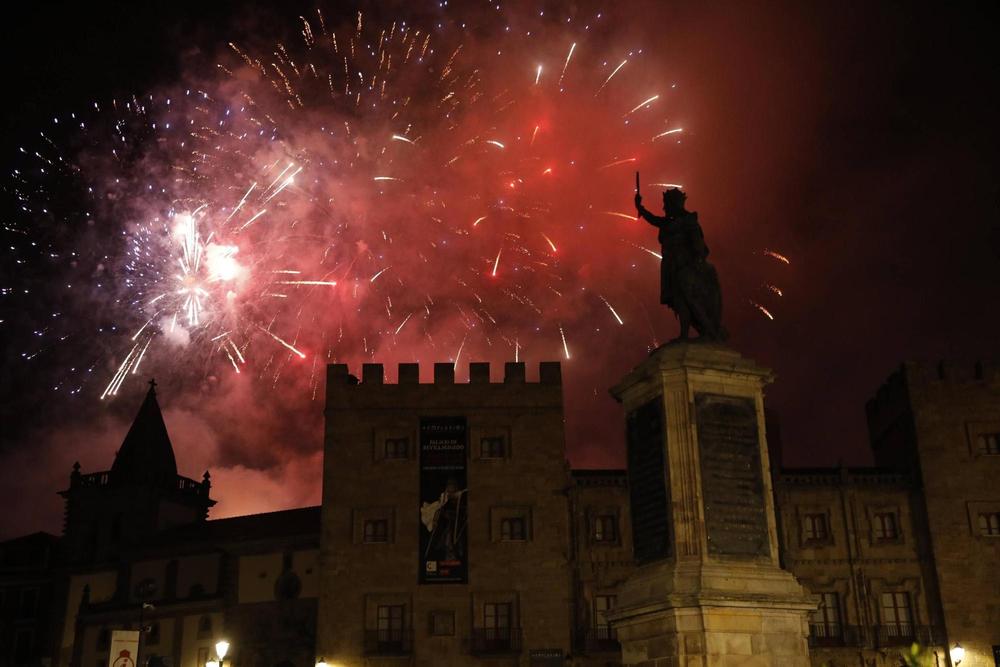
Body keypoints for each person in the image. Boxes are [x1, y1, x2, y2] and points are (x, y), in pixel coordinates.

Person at [635, 188, 726, 341]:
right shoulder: (669, 222)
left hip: (686, 266)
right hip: (672, 267)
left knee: (689, 297)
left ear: (674, 204)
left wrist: (695, 264)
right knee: (678, 300)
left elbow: (698, 245)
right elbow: (654, 220)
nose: (664, 208)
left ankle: (706, 329)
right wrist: (640, 208)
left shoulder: (688, 221)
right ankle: (684, 334)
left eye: (667, 204)